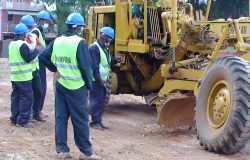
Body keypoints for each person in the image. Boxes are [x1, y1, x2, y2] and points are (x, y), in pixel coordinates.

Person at [39, 13, 101, 160]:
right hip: (77, 87)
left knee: (61, 118)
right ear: (78, 27)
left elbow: (42, 57)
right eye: (81, 26)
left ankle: (62, 151)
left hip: (61, 85)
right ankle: (86, 152)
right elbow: (86, 68)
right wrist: (89, 85)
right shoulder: (79, 42)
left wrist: (55, 69)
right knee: (80, 120)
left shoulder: (57, 41)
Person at [89, 26, 121, 130]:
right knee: (96, 101)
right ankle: (94, 122)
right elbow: (94, 67)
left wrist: (116, 60)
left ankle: (98, 121)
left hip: (103, 80)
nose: (110, 41)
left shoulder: (104, 49)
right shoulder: (94, 48)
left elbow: (108, 61)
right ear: (103, 36)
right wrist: (99, 80)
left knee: (101, 102)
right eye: (109, 38)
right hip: (96, 81)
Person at [9, 23, 39, 128]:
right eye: (25, 33)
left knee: (15, 98)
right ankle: (22, 121)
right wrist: (36, 51)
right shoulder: (22, 45)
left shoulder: (11, 44)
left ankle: (14, 118)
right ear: (22, 34)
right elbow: (28, 58)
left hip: (15, 77)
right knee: (26, 98)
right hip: (24, 77)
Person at [20, 15, 45, 122]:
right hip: (26, 71)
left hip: (35, 69)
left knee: (39, 92)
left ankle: (36, 113)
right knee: (28, 95)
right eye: (29, 27)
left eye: (30, 27)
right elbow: (28, 54)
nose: (29, 29)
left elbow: (41, 46)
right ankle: (28, 115)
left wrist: (36, 50)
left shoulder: (34, 36)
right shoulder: (20, 40)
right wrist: (36, 50)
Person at [31, 10, 51, 118]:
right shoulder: (35, 32)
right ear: (40, 20)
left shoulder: (40, 32)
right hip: (37, 63)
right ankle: (36, 112)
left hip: (40, 63)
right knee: (40, 88)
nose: (47, 23)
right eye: (46, 21)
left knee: (42, 88)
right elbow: (35, 47)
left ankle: (38, 111)